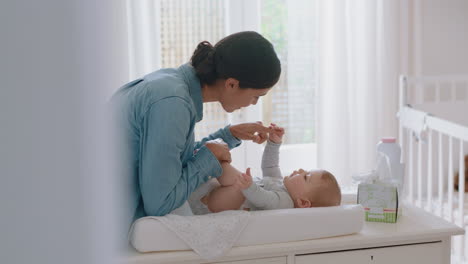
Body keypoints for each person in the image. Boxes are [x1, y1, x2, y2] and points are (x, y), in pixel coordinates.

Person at [111, 31, 281, 228]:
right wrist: (209, 157)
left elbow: (168, 165)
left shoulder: (171, 85)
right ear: (232, 84)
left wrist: (229, 135)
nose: (253, 103)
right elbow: (160, 203)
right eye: (257, 96)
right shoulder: (172, 104)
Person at [202, 124, 341, 212]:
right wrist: (274, 143)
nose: (300, 170)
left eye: (306, 177)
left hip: (225, 204)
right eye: (306, 170)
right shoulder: (280, 183)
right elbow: (270, 165)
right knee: (233, 177)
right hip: (223, 193)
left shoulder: (285, 203)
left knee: (235, 178)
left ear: (303, 202)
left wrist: (249, 186)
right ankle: (212, 162)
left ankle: (211, 161)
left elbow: (264, 199)